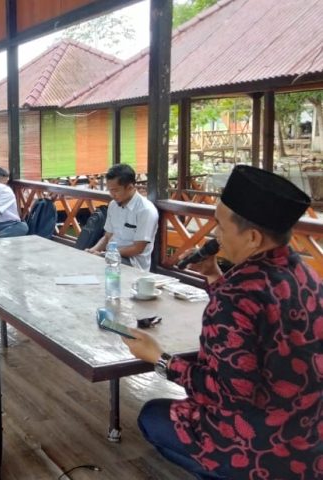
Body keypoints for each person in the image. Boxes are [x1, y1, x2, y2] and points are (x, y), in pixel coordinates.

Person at [123, 165, 323, 479]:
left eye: (221, 225)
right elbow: (256, 319)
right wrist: (215, 275)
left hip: (262, 446)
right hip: (310, 437)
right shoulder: (308, 275)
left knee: (151, 416)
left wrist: (160, 359)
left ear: (253, 237)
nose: (215, 235)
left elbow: (227, 394)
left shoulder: (236, 293)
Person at [85, 164, 158, 270]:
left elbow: (138, 248)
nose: (112, 195)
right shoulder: (113, 205)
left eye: (115, 190)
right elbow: (107, 237)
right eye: (110, 190)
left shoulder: (145, 210)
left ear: (130, 187)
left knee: (96, 267)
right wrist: (93, 251)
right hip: (110, 256)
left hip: (133, 264)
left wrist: (105, 255)